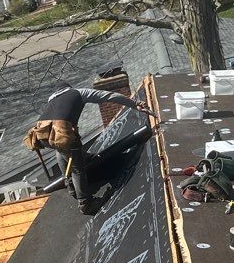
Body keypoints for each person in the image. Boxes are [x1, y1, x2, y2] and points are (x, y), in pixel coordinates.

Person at [25, 82, 154, 213]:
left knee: (63, 150)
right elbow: (108, 96)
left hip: (44, 136)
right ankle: (85, 203)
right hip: (62, 135)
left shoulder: (52, 102)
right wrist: (134, 104)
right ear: (69, 88)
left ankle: (71, 186)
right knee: (77, 169)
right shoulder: (78, 93)